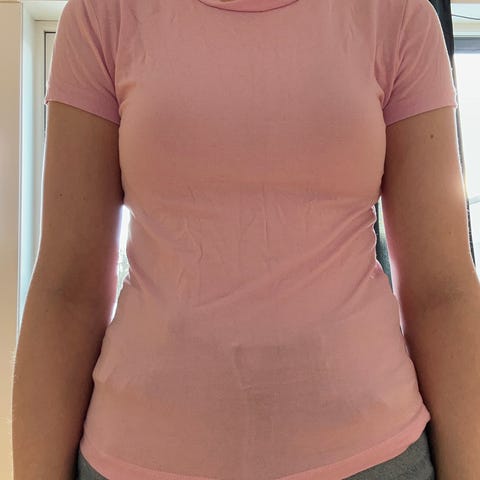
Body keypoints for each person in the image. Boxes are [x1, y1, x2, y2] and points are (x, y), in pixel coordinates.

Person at [12, 0, 464, 479]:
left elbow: (443, 292)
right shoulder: (103, 14)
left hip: (376, 455)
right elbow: (67, 290)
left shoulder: (398, 14)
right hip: (133, 458)